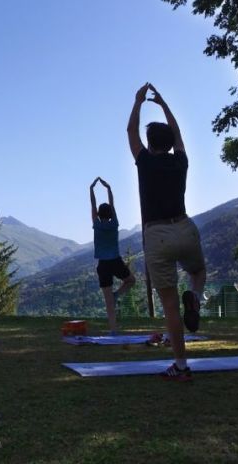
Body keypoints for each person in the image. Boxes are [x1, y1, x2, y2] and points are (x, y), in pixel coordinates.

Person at [127, 82, 207, 381]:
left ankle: (181, 366)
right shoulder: (180, 161)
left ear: (150, 144)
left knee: (171, 307)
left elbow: (130, 133)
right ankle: (196, 296)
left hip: (157, 235)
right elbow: (179, 135)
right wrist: (162, 104)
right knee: (198, 272)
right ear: (171, 142)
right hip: (185, 227)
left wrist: (138, 102)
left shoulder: (144, 161)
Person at [90, 177, 135, 335]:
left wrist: (92, 189)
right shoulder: (114, 224)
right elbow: (112, 204)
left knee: (108, 300)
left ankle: (114, 330)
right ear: (110, 213)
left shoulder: (96, 224)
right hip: (115, 261)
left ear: (98, 214)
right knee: (130, 281)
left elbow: (93, 206)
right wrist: (108, 188)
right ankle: (117, 294)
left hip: (103, 264)